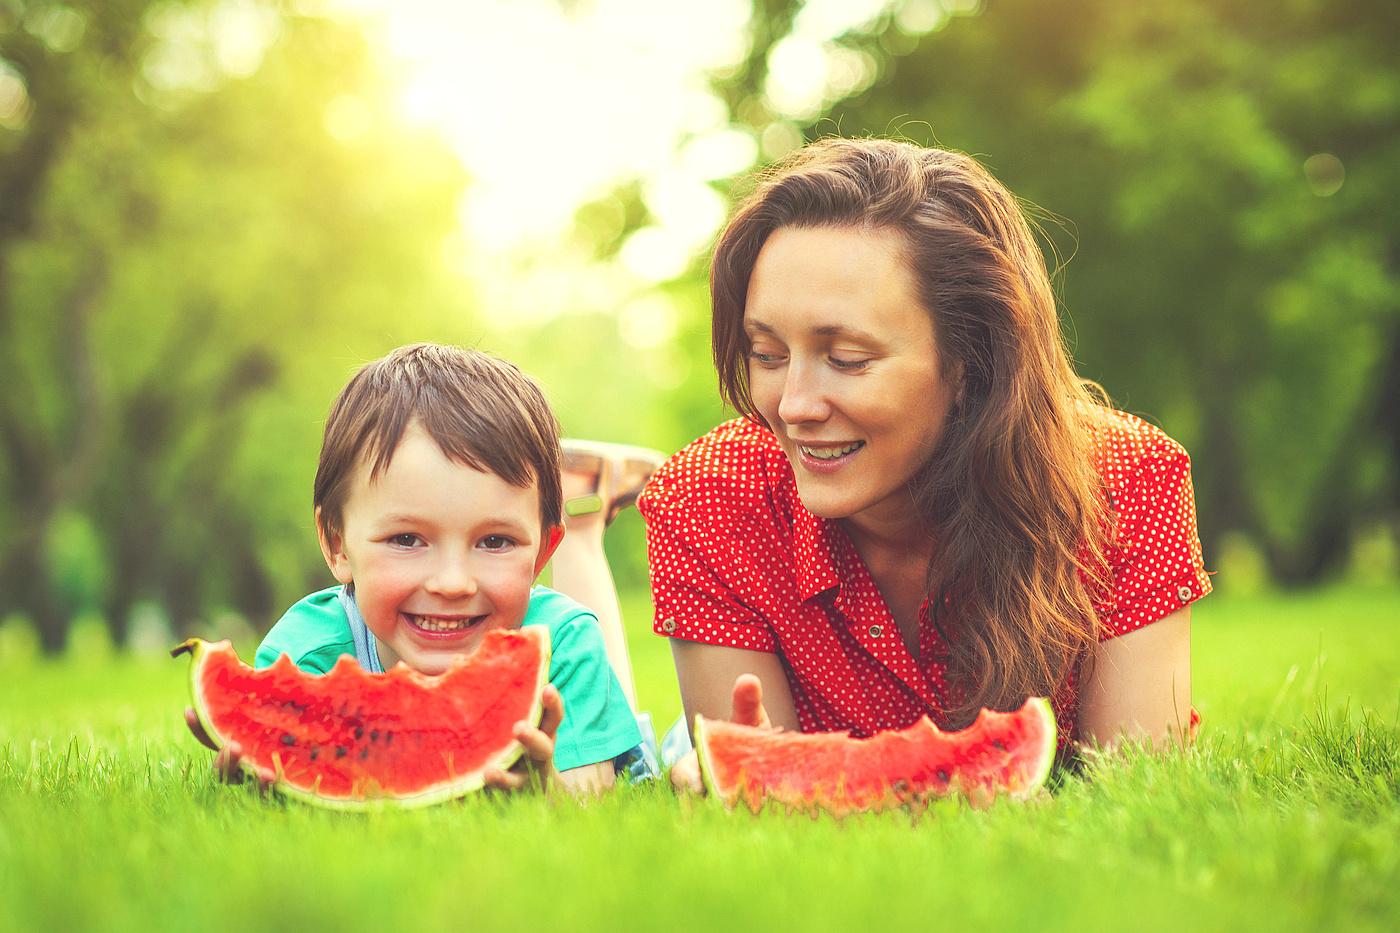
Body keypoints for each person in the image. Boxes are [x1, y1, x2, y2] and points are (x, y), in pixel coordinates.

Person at [637, 138, 1210, 791]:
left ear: (972, 361)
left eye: (848, 359)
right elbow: (767, 796)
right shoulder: (705, 500)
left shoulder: (1130, 477)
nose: (792, 405)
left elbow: (1140, 789)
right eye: (767, 353)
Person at [185, 343, 645, 794]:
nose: (452, 583)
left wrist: (545, 789)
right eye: (406, 540)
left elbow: (591, 791)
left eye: (495, 541)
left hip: (586, 673)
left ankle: (583, 518)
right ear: (336, 543)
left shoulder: (560, 643)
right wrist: (270, 774)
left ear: (542, 552)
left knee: (624, 698)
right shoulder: (306, 657)